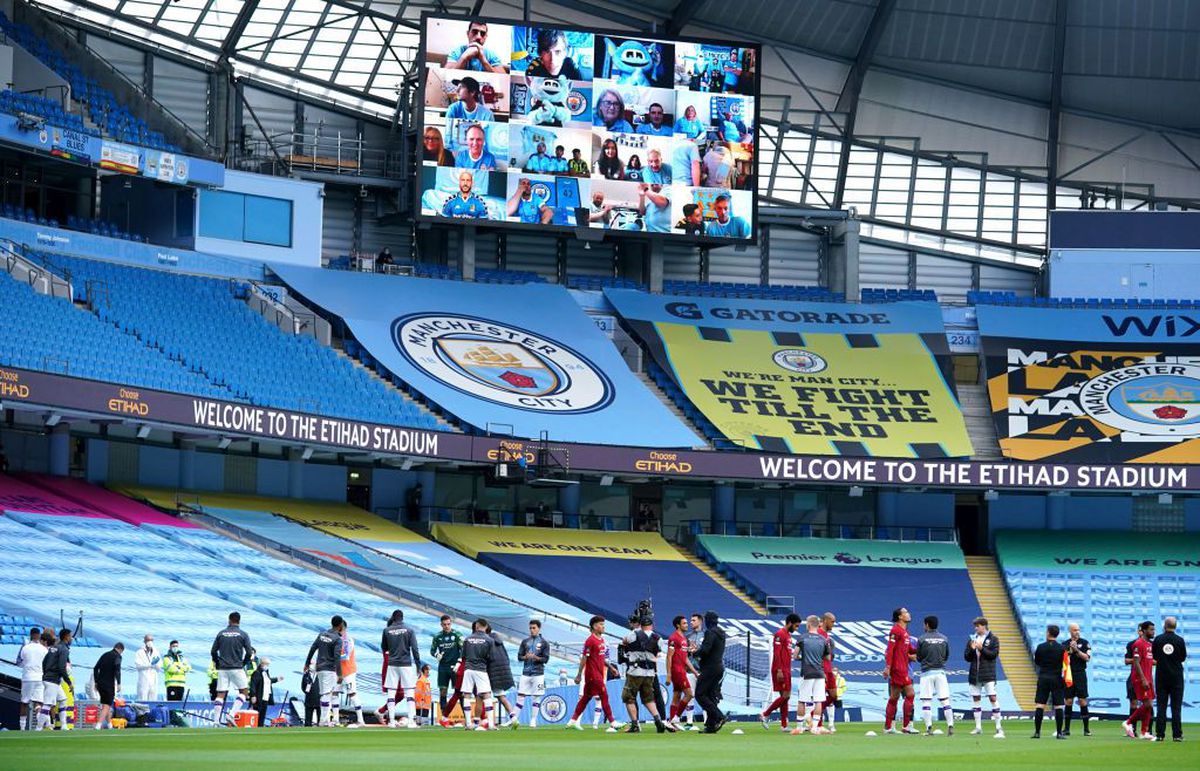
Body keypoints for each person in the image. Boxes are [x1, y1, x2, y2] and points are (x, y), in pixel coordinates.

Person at [620, 607, 675, 733]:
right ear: (652, 625)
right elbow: (658, 652)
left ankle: (635, 724)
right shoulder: (658, 638)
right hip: (650, 672)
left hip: (635, 671)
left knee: (628, 697)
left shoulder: (633, 634)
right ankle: (658, 720)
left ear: (640, 624)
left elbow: (624, 642)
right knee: (648, 698)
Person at [567, 615, 619, 731]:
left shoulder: (602, 640)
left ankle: (572, 721)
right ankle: (612, 721)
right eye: (601, 624)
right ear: (595, 627)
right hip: (592, 675)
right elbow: (584, 658)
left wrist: (611, 667)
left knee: (586, 698)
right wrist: (579, 674)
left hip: (599, 673)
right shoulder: (590, 641)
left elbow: (602, 658)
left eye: (603, 624)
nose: (603, 627)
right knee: (604, 696)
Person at [211, 611, 253, 726]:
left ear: (229, 620)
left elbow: (213, 651)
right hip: (236, 667)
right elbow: (249, 652)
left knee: (220, 694)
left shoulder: (221, 633)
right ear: (239, 621)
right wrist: (243, 663)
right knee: (244, 691)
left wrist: (217, 662)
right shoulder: (243, 634)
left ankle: (216, 721)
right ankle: (231, 714)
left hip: (223, 668)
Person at [382, 609, 422, 728]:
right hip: (406, 664)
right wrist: (418, 665)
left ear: (393, 618)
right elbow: (415, 649)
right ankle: (411, 722)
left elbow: (384, 647)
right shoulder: (409, 630)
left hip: (392, 663)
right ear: (402, 617)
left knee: (391, 692)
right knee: (409, 692)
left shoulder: (387, 630)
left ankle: (391, 721)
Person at [792, 615, 832, 734]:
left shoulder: (802, 638)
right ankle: (815, 727)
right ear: (818, 625)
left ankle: (799, 727)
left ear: (808, 624)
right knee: (818, 701)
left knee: (802, 700)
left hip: (807, 672)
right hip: (819, 672)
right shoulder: (823, 639)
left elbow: (795, 655)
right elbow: (828, 657)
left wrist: (802, 657)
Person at [965, 616, 1003, 737]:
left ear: (984, 626)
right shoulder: (972, 640)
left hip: (988, 674)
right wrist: (972, 650)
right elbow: (967, 657)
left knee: (992, 698)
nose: (975, 628)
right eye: (975, 626)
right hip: (974, 674)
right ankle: (978, 727)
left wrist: (982, 649)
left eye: (977, 626)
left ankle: (998, 727)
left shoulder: (993, 639)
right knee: (976, 699)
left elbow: (993, 655)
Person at [760, 613, 799, 731]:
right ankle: (765, 714)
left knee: (785, 697)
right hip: (780, 669)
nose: (796, 629)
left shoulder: (788, 635)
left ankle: (784, 725)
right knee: (786, 695)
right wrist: (779, 670)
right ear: (790, 623)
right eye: (796, 626)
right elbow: (777, 653)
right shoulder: (779, 634)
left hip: (786, 668)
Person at [916, 615, 954, 736]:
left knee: (926, 701)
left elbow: (919, 657)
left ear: (927, 625)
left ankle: (929, 729)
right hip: (941, 673)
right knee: (945, 700)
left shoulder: (922, 639)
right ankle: (950, 726)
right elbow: (946, 656)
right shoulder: (944, 638)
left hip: (927, 673)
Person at [306, 615, 346, 728]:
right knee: (327, 693)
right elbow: (337, 656)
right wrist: (340, 674)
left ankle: (328, 719)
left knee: (327, 693)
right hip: (330, 669)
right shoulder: (337, 639)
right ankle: (323, 721)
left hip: (320, 668)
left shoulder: (322, 634)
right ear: (340, 625)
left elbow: (313, 648)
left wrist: (307, 663)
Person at [882, 607, 917, 734]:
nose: (908, 614)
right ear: (900, 617)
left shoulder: (904, 631)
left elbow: (910, 649)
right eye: (905, 612)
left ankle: (889, 727)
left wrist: (922, 649)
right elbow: (890, 650)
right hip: (898, 669)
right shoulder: (895, 630)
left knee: (894, 697)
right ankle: (905, 726)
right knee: (910, 694)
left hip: (902, 668)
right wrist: (888, 667)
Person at [1152, 616, 1186, 742]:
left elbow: (1154, 656)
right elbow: (1182, 657)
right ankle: (1177, 735)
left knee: (1161, 707)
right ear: (1175, 626)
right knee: (1176, 708)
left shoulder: (1158, 639)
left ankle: (1160, 734)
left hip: (1161, 677)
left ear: (1165, 625)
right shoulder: (1180, 640)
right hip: (1176, 678)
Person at [1032, 624, 1067, 740]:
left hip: (1043, 677)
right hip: (1056, 678)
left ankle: (1037, 732)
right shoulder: (1062, 648)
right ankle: (1059, 733)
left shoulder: (1041, 647)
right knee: (1058, 706)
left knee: (1040, 704)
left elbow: (1037, 662)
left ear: (1048, 633)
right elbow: (1065, 664)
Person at [459, 618, 496, 730]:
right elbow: (492, 657)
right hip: (481, 669)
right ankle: (491, 724)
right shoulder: (489, 640)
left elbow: (463, 656)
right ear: (486, 627)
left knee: (466, 695)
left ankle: (468, 724)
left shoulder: (467, 639)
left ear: (476, 626)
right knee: (487, 695)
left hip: (468, 669)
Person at [1123, 620, 1157, 740]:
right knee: (1147, 704)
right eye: (1151, 630)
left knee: (1149, 705)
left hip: (1149, 677)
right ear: (1144, 630)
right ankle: (1128, 722)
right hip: (1140, 678)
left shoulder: (1150, 645)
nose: (1153, 632)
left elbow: (1149, 661)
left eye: (1154, 629)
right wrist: (1143, 679)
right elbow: (1136, 662)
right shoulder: (1138, 644)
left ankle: (1144, 732)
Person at [695, 610, 727, 733]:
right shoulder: (721, 632)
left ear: (708, 621)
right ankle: (711, 725)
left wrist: (694, 652)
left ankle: (719, 716)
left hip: (710, 668)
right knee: (710, 696)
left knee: (700, 694)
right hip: (719, 667)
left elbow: (705, 650)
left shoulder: (710, 632)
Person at [515, 619, 551, 728]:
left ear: (539, 628)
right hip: (525, 673)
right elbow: (519, 657)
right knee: (520, 696)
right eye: (530, 628)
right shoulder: (525, 642)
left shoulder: (544, 642)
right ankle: (514, 719)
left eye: (534, 628)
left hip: (538, 674)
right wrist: (525, 657)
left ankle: (533, 720)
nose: (532, 630)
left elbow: (546, 659)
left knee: (536, 697)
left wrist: (536, 658)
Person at [667, 615, 698, 730]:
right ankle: (676, 718)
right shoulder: (673, 638)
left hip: (682, 670)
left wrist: (694, 672)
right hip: (677, 671)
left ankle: (672, 724)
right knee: (689, 694)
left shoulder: (684, 639)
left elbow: (685, 659)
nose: (687, 625)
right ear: (678, 625)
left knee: (677, 696)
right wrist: (669, 674)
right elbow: (669, 657)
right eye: (684, 623)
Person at [485, 623, 517, 728]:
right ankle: (513, 718)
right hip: (503, 671)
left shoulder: (487, 641)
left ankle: (485, 721)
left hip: (493, 672)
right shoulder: (498, 640)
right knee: (501, 697)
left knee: (484, 696)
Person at [444, 77, 494, 143]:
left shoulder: (487, 114)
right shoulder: (453, 109)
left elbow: (489, 140)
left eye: (461, 87)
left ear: (472, 92)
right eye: (457, 87)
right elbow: (447, 135)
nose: (457, 91)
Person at [430, 614, 463, 717]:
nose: (446, 626)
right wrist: (437, 655)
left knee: (459, 692)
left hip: (455, 667)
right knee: (443, 691)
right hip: (443, 667)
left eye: (448, 624)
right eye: (444, 624)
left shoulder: (457, 635)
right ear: (441, 625)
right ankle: (444, 717)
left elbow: (463, 649)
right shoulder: (437, 636)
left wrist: (459, 662)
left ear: (451, 623)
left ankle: (466, 717)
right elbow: (432, 650)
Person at [40, 628, 73, 731]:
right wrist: (69, 682)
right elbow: (61, 667)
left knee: (63, 699)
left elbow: (44, 662)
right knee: (47, 704)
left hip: (51, 679)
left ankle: (64, 726)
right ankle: (38, 728)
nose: (72, 638)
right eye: (71, 636)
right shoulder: (64, 649)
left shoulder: (54, 647)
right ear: (66, 637)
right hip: (52, 680)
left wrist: (46, 673)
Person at [1063, 622, 1091, 736]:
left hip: (1080, 674)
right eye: (1075, 630)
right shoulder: (1065, 644)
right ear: (1070, 631)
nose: (1077, 632)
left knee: (1082, 700)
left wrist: (1077, 650)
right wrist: (1070, 649)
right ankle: (1066, 729)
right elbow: (1063, 658)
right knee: (1068, 701)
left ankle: (1086, 729)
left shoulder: (1084, 643)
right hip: (1069, 674)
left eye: (1078, 630)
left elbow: (1087, 658)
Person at [337, 622, 365, 727]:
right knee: (334, 693)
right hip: (337, 671)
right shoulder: (336, 638)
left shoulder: (348, 640)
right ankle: (335, 720)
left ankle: (361, 720)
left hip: (348, 671)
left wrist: (332, 657)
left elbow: (346, 656)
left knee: (352, 694)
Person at [17, 626, 45, 731]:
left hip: (28, 677)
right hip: (40, 677)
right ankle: (39, 727)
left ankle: (22, 728)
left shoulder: (25, 647)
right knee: (39, 702)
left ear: (31, 635)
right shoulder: (44, 649)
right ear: (39, 636)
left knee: (24, 702)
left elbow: (19, 662)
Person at [92, 642, 123, 730]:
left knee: (106, 704)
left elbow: (95, 668)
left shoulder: (105, 655)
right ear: (120, 649)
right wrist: (119, 683)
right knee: (107, 705)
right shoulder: (117, 656)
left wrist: (96, 681)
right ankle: (98, 725)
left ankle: (109, 725)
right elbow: (117, 670)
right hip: (109, 684)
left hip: (100, 683)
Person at [816, 612, 838, 733]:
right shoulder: (819, 634)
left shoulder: (827, 636)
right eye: (832, 622)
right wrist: (821, 670)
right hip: (822, 670)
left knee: (834, 696)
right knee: (820, 697)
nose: (833, 624)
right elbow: (817, 654)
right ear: (825, 621)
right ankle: (818, 725)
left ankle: (813, 715)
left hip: (829, 669)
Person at [249, 656, 282, 728]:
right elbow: (253, 685)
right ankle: (255, 727)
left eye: (268, 664)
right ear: (262, 664)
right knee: (257, 714)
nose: (267, 666)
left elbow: (268, 681)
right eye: (266, 664)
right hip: (259, 697)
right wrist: (253, 695)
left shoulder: (266, 673)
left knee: (262, 715)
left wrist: (277, 679)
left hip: (265, 697)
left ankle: (260, 728)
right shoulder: (256, 673)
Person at [686, 613, 705, 728]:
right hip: (690, 670)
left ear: (700, 621)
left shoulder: (706, 635)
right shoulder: (688, 636)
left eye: (693, 620)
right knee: (690, 695)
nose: (691, 622)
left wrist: (698, 650)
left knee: (705, 696)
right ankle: (689, 721)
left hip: (704, 670)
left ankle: (707, 721)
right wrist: (688, 650)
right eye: (691, 620)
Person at [134, 634, 161, 702]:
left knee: (153, 698)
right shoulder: (139, 652)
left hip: (153, 678)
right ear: (144, 641)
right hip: (144, 678)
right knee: (143, 698)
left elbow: (159, 665)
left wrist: (156, 665)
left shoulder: (156, 652)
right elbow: (138, 665)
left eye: (151, 640)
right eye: (148, 640)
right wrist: (149, 665)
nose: (150, 642)